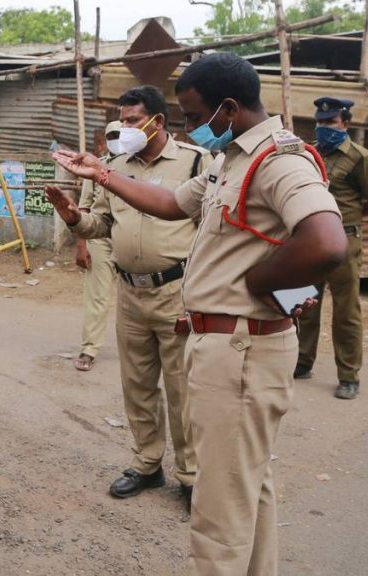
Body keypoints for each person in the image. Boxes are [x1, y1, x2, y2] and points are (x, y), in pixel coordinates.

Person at [45, 53, 347, 575]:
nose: (188, 128)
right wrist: (102, 175)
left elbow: (325, 241)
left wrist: (259, 281)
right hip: (232, 345)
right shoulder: (233, 157)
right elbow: (170, 204)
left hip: (242, 347)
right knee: (246, 488)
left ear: (228, 108)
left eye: (192, 116)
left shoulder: (279, 159)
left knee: (219, 508)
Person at [53, 86, 210, 506]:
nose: (125, 128)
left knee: (182, 390)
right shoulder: (115, 166)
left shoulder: (196, 162)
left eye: (132, 119)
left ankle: (191, 475)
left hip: (177, 292)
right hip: (131, 292)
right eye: (121, 120)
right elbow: (103, 224)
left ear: (158, 121)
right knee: (137, 385)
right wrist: (75, 219)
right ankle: (147, 463)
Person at [294, 97, 368, 400]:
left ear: (345, 123)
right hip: (308, 240)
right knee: (304, 303)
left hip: (344, 240)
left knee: (346, 312)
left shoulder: (361, 159)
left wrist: (345, 220)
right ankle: (301, 361)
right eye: (321, 123)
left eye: (331, 122)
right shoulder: (306, 154)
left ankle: (349, 376)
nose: (324, 128)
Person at [73, 120, 121, 372]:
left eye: (119, 135)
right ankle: (89, 348)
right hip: (100, 239)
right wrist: (82, 246)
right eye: (111, 135)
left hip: (131, 239)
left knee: (135, 296)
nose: (116, 139)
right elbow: (84, 208)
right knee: (97, 297)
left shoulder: (136, 168)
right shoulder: (94, 169)